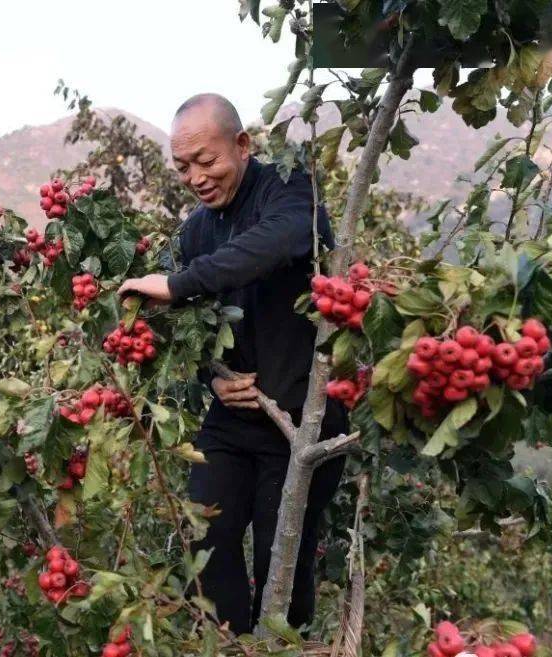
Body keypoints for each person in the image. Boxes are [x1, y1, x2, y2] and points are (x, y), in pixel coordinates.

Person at [118, 93, 347, 633]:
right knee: (206, 542)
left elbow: (269, 246)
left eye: (206, 161)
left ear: (242, 146)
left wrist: (176, 284)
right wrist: (213, 380)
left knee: (280, 573)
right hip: (230, 424)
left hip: (301, 427)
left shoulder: (289, 190)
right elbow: (190, 329)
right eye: (182, 168)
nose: (196, 177)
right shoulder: (197, 230)